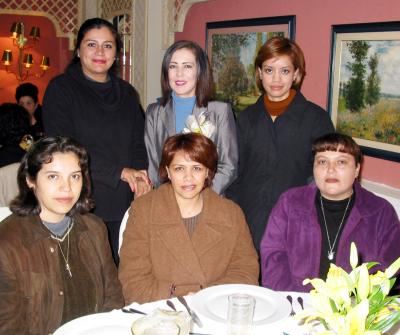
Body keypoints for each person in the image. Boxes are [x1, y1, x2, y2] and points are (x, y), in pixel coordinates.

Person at [43, 18, 151, 264]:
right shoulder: (61, 90)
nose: (100, 52)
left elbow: (138, 141)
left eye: (108, 45)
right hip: (80, 199)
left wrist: (141, 178)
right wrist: (120, 172)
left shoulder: (126, 92)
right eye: (92, 44)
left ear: (117, 53)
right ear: (78, 50)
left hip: (124, 200)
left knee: (121, 271)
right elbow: (63, 150)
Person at [0, 136, 123, 334]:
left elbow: (113, 298)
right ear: (30, 180)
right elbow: (8, 327)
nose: (67, 188)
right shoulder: (7, 243)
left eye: (75, 176)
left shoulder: (94, 228)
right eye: (53, 176)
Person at [119, 133, 258, 304]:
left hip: (215, 311)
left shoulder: (231, 214)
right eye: (179, 168)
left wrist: (206, 298)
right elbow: (132, 281)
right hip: (159, 313)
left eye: (197, 168)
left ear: (208, 172)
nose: (188, 177)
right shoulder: (143, 211)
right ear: (168, 172)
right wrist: (180, 297)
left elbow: (246, 272)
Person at [226, 37, 334, 250]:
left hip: (296, 225)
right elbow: (235, 172)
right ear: (259, 73)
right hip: (249, 223)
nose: (276, 79)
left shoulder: (316, 119)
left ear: (296, 74)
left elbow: (323, 176)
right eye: (269, 70)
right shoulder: (247, 118)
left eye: (284, 71)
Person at [260, 133, 400, 292]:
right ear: (314, 167)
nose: (330, 170)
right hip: (295, 305)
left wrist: (353, 308)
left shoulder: (380, 212)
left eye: (341, 162)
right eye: (322, 162)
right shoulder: (290, 203)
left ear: (356, 169)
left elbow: (390, 272)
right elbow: (273, 259)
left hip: (356, 312)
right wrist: (297, 304)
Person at [145, 40, 238, 195]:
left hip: (208, 200)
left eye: (187, 66)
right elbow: (154, 165)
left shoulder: (220, 111)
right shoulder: (154, 112)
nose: (179, 73)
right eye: (173, 66)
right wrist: (170, 198)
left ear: (200, 71)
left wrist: (197, 197)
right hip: (168, 202)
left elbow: (228, 166)